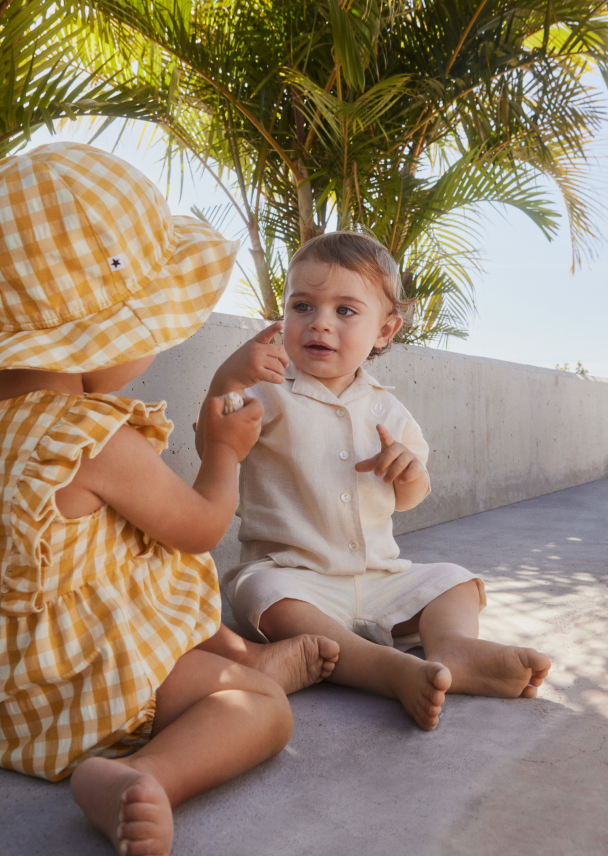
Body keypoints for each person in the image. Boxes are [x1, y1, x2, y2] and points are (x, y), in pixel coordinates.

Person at [0, 143, 339, 856]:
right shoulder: (88, 435)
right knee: (260, 709)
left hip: (15, 688)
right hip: (87, 680)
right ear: (92, 338)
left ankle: (243, 653)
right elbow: (195, 527)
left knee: (187, 618)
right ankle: (139, 773)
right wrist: (223, 453)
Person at [204, 231, 552, 732]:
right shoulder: (267, 392)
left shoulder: (388, 408)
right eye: (302, 305)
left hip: (380, 575)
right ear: (282, 314)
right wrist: (226, 379)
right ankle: (387, 670)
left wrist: (408, 471)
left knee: (453, 580)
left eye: (345, 311)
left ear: (385, 330)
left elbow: (410, 496)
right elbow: (213, 441)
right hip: (294, 574)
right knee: (265, 597)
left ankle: (454, 648)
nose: (320, 322)